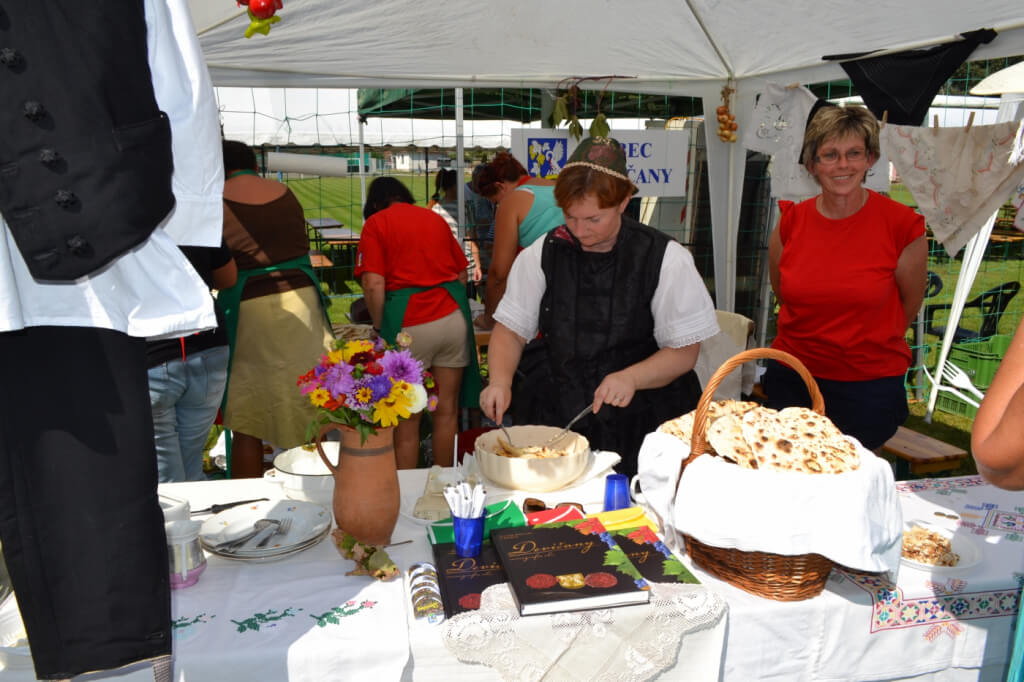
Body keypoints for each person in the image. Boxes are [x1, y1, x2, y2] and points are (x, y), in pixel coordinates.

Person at [478, 137, 719, 478]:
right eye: (570, 217)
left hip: (643, 415)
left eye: (593, 219)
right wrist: (500, 381)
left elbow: (684, 352)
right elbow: (511, 330)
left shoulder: (665, 258)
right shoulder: (543, 252)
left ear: (623, 202)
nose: (579, 230)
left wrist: (632, 377)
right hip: (561, 408)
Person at [764, 104, 927, 452]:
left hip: (867, 384)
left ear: (870, 160)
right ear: (812, 165)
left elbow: (909, 304)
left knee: (856, 486)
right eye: (830, 155)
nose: (843, 165)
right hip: (795, 377)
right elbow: (782, 291)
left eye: (854, 153)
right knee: (789, 482)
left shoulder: (901, 226)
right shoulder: (791, 222)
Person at [218, 140, 334, 478]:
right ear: (253, 164)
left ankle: (246, 500)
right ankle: (319, 487)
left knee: (247, 416)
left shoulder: (215, 200)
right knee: (312, 402)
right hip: (303, 302)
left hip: (249, 310)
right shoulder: (284, 192)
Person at [356, 177, 482, 469]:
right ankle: (445, 484)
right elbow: (462, 275)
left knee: (406, 418)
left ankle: (407, 492)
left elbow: (373, 283)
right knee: (447, 411)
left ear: (374, 203)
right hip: (452, 319)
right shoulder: (433, 217)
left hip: (409, 327)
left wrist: (377, 326)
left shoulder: (376, 224)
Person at [146, 241, 237, 482]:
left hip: (154, 350)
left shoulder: (118, 212)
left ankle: (183, 518)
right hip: (206, 346)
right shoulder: (196, 206)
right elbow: (227, 276)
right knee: (188, 463)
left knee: (167, 474)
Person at [473, 152, 564, 329]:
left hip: (541, 305)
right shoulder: (559, 188)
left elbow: (499, 274)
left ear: (501, 186)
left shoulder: (513, 201)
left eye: (495, 201)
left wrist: (489, 318)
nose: (497, 206)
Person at [430, 168, 481, 298]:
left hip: (446, 268)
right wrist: (478, 266)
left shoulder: (435, 209)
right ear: (453, 187)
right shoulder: (464, 207)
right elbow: (471, 239)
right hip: (466, 266)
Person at [465, 164, 496, 302]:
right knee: (473, 285)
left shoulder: (489, 192)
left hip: (489, 246)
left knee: (489, 288)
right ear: (473, 177)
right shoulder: (464, 192)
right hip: (471, 246)